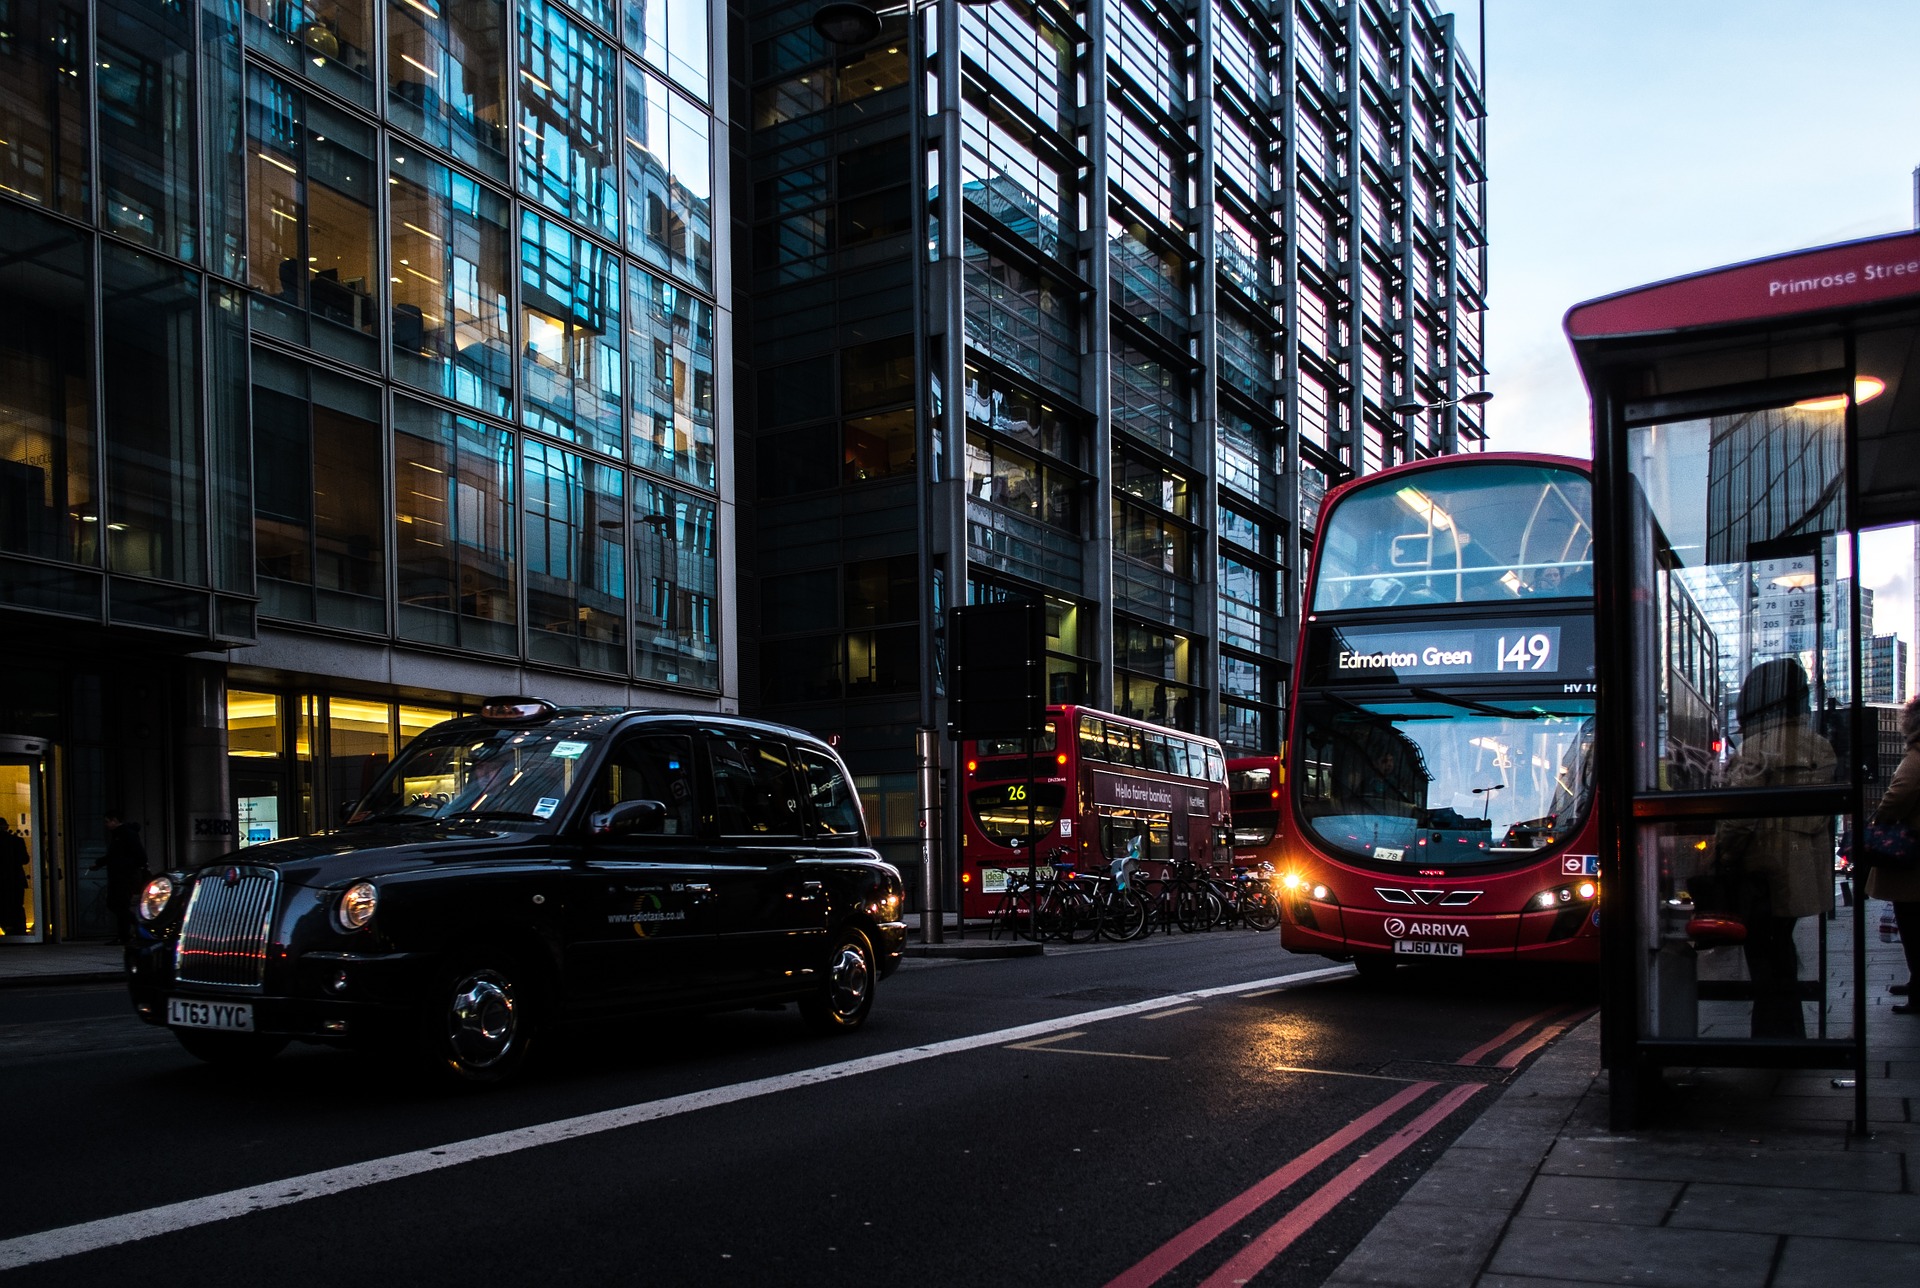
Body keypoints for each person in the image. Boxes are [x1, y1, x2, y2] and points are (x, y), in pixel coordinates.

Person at [1713, 659, 1837, 1038]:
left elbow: (1737, 818)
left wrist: (1721, 859)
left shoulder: (1756, 748)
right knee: (1781, 949)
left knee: (1763, 956)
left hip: (1761, 872)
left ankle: (1770, 1034)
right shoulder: (1820, 746)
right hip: (1803, 871)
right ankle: (1790, 1029)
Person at [1868, 694, 1920, 1014]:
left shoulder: (1916, 756)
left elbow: (1897, 796)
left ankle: (1919, 993)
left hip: (1913, 857)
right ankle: (1917, 983)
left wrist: (1879, 821)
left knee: (1914, 928)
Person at [93, 810, 150, 945]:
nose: (106, 825)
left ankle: (130, 931)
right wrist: (100, 863)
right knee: (117, 904)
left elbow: (139, 856)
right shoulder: (120, 835)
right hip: (120, 875)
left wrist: (124, 866)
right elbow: (115, 855)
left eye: (108, 821)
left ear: (115, 820)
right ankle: (128, 932)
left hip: (125, 876)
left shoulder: (126, 835)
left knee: (119, 905)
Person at [0, 820, 28, 937]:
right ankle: (19, 930)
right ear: (6, 827)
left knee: (2, 905)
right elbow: (25, 859)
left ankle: (7, 927)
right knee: (17, 906)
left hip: (1, 880)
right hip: (16, 880)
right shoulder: (17, 841)